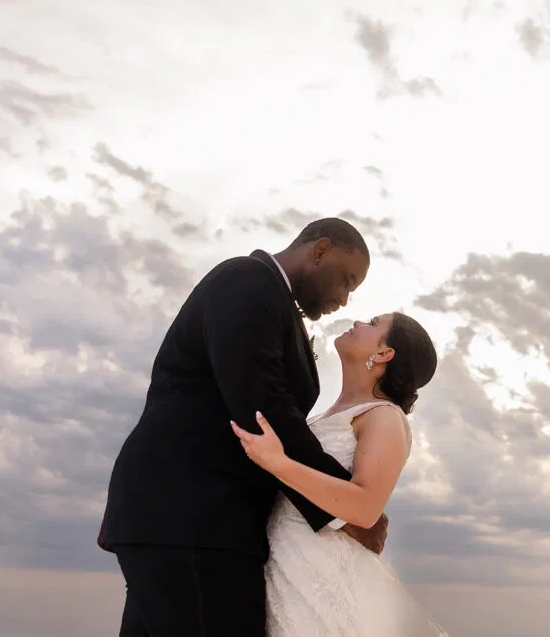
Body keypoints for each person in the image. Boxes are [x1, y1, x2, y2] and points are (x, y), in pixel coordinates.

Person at [97, 217, 389, 637]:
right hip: (191, 517)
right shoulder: (246, 283)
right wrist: (349, 511)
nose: (343, 300)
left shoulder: (271, 300)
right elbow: (262, 410)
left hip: (193, 521)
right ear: (319, 250)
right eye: (346, 281)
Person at [231, 311, 447, 636]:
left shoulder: (384, 416)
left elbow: (365, 507)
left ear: (384, 353)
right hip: (284, 562)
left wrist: (278, 463)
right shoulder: (328, 413)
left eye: (373, 324)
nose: (359, 322)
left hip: (319, 574)